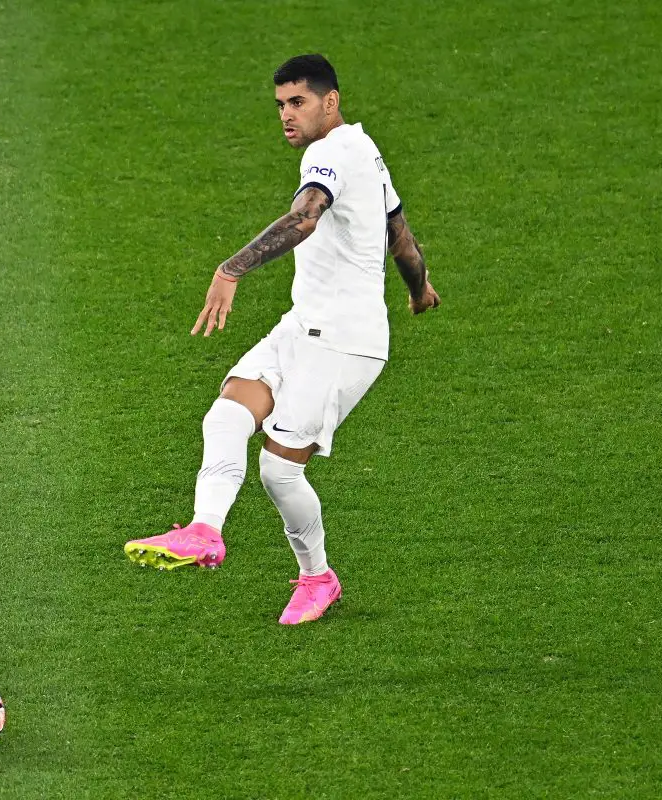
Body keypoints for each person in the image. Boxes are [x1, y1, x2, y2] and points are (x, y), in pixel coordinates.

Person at [124, 54, 440, 624]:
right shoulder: (367, 150)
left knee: (279, 470)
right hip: (304, 323)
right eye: (280, 106)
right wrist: (420, 290)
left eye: (297, 103)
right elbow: (400, 234)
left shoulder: (331, 154)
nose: (286, 116)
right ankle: (204, 531)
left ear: (331, 101)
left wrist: (231, 268)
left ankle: (318, 577)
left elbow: (305, 218)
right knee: (226, 415)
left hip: (345, 341)